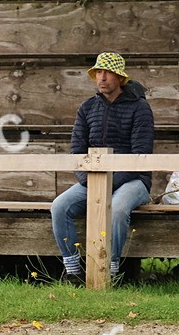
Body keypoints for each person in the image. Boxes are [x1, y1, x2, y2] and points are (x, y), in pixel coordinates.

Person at [50, 52, 155, 284]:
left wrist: (108, 184)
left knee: (116, 210)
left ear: (120, 77)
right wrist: (87, 179)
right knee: (59, 206)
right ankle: (73, 270)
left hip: (134, 181)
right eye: (99, 72)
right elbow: (77, 151)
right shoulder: (87, 108)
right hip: (93, 179)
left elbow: (140, 156)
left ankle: (111, 269)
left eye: (107, 72)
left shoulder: (140, 108)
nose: (102, 77)